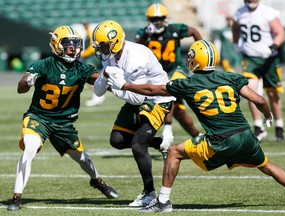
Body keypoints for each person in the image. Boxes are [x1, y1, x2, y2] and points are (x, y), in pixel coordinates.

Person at [107, 39, 285, 213]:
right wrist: (268, 115)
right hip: (246, 135)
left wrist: (126, 85)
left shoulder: (188, 83)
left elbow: (152, 90)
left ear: (196, 59)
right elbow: (259, 99)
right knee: (267, 167)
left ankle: (163, 202)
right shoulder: (231, 77)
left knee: (173, 152)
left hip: (221, 139)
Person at [7, 25, 119, 211]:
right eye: (68, 44)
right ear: (56, 44)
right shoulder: (44, 64)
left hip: (64, 123)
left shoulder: (81, 68)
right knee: (30, 148)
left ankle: (97, 182)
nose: (73, 48)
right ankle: (17, 197)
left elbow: (98, 81)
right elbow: (21, 87)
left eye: (76, 44)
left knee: (82, 158)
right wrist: (28, 81)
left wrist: (110, 79)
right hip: (39, 117)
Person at [91, 20, 175, 207]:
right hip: (135, 97)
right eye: (100, 46)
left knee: (138, 146)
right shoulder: (110, 55)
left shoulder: (136, 57)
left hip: (156, 99)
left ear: (116, 41)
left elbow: (137, 97)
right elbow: (98, 91)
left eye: (104, 45)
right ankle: (160, 143)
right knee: (117, 140)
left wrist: (115, 86)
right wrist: (105, 76)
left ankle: (150, 193)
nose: (102, 50)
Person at [135, 3, 202, 146]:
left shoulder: (174, 29)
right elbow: (136, 46)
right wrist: (147, 34)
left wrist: (201, 52)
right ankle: (198, 137)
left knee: (168, 90)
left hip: (176, 70)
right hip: (156, 75)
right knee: (178, 111)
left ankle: (167, 129)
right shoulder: (144, 33)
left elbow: (194, 32)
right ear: (149, 20)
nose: (157, 22)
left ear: (165, 18)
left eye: (160, 18)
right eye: (154, 19)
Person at [232, 0, 285, 142]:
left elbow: (280, 33)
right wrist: (236, 43)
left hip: (269, 58)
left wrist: (273, 46)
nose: (251, 1)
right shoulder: (239, 12)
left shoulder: (268, 12)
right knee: (250, 90)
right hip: (250, 58)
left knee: (272, 92)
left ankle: (279, 125)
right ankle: (258, 127)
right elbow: (235, 27)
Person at [79, 20, 106, 107]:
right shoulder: (88, 32)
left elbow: (92, 47)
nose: (84, 26)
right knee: (92, 76)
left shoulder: (90, 31)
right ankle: (97, 95)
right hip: (92, 57)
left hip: (92, 57)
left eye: (85, 24)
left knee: (90, 76)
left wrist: (83, 54)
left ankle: (97, 96)